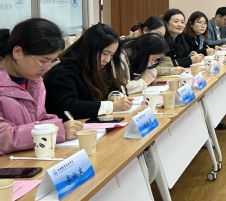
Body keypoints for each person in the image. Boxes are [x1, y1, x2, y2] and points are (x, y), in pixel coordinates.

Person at [0, 19, 84, 154]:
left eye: (52, 62)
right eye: (43, 61)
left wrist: (57, 123)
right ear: (17, 52)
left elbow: (38, 118)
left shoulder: (34, 81)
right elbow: (3, 138)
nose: (47, 68)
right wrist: (56, 130)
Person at [44, 23, 134, 120]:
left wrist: (114, 96)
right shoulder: (63, 71)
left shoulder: (97, 65)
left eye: (112, 55)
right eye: (105, 53)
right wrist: (111, 106)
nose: (107, 60)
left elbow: (116, 86)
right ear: (90, 49)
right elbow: (69, 107)